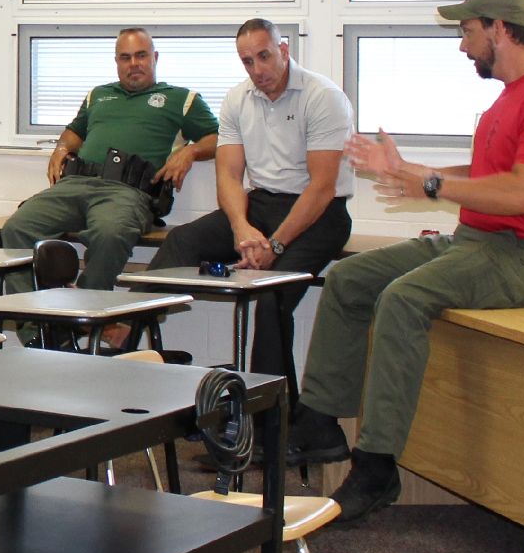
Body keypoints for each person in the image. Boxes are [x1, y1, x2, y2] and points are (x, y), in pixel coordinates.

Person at [291, 0, 524, 524]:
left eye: (467, 31)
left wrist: (431, 186)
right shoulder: (509, 100)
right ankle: (318, 423)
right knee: (350, 278)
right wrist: (409, 172)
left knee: (402, 299)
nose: (462, 45)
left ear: (499, 28)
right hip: (478, 243)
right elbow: (484, 176)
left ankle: (377, 468)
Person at [126, 21, 354, 370]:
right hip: (261, 204)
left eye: (264, 56)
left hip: (319, 214)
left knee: (270, 297)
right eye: (247, 61)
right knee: (182, 240)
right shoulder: (236, 99)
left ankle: (271, 414)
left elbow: (322, 188)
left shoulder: (323, 97)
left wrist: (274, 246)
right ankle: (123, 335)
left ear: (284, 50)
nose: (257, 70)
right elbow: (230, 176)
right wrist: (241, 228)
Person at [1, 27, 219, 298]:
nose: (134, 64)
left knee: (110, 235)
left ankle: (83, 313)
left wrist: (191, 152)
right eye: (125, 57)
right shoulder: (98, 95)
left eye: (141, 55)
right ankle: (34, 326)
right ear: (116, 62)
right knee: (17, 228)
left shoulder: (183, 100)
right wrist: (61, 147)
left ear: (155, 57)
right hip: (74, 184)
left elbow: (220, 139)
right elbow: (74, 132)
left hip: (126, 193)